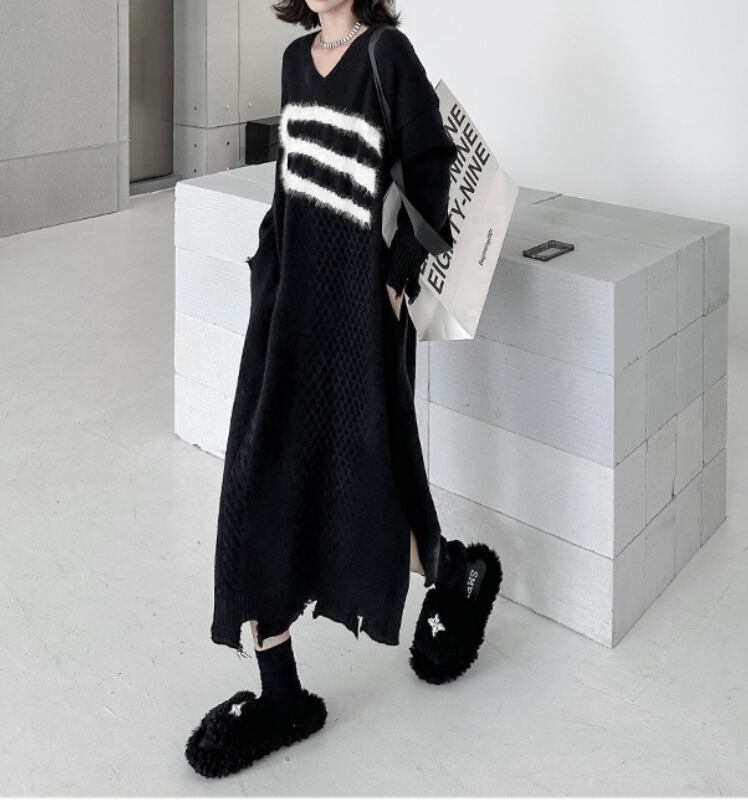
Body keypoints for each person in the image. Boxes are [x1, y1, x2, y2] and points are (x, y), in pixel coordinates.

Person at [185, 0, 502, 779]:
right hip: (289, 312)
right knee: (256, 482)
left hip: (360, 317)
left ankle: (454, 572)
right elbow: (289, 187)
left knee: (368, 488)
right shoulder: (295, 61)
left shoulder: (386, 55)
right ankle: (282, 694)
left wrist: (392, 283)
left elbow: (433, 169)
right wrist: (268, 274)